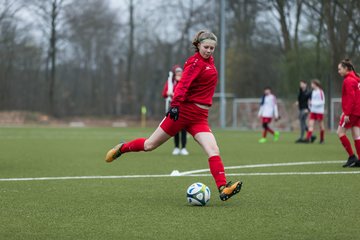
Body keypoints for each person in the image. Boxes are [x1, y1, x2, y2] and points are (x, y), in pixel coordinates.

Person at [105, 30, 242, 201]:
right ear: (198, 45)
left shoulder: (210, 62)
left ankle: (223, 187)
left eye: (212, 48)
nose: (208, 50)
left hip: (200, 117)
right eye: (206, 47)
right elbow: (183, 85)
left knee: (213, 150)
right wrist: (175, 106)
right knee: (149, 145)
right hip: (183, 112)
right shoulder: (194, 63)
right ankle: (122, 148)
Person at [337, 59, 360, 167]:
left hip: (352, 112)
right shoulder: (356, 79)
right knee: (356, 135)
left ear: (346, 69)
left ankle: (352, 157)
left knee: (340, 133)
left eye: (340, 69)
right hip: (358, 111)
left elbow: (351, 98)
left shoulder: (348, 80)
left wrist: (347, 113)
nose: (338, 71)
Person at [162, 65, 189, 156]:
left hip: (184, 108)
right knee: (175, 129)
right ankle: (176, 147)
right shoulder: (170, 83)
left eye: (180, 72)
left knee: (184, 129)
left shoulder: (184, 82)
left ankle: (184, 148)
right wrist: (168, 93)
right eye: (177, 72)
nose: (179, 73)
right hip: (174, 108)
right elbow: (164, 94)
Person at [305, 79, 325, 143]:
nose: (311, 85)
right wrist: (310, 107)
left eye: (312, 84)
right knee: (310, 125)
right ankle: (308, 139)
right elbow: (311, 102)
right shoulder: (313, 92)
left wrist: (313, 103)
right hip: (313, 111)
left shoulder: (321, 92)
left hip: (319, 111)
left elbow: (322, 102)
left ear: (315, 84)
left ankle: (322, 139)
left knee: (321, 126)